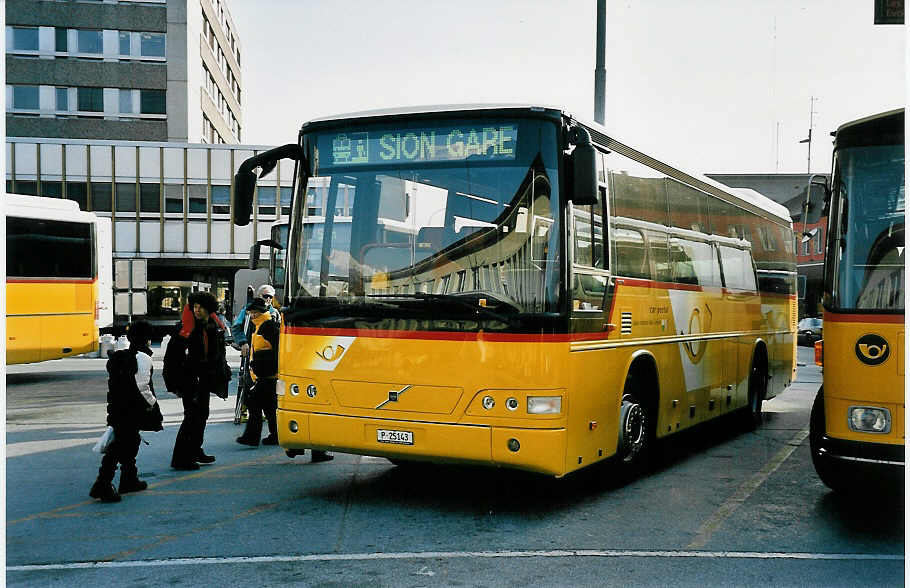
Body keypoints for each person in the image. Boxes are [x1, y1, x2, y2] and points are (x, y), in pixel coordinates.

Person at [89, 320, 163, 502]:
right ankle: (103, 484)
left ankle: (129, 478)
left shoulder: (120, 357)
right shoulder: (143, 358)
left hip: (117, 407)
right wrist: (153, 404)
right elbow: (143, 387)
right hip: (132, 409)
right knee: (121, 446)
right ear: (147, 339)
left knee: (129, 442)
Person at [164, 291, 230, 470]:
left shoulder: (211, 326)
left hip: (204, 380)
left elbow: (217, 354)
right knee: (192, 418)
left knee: (201, 416)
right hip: (190, 381)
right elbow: (172, 358)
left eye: (200, 307)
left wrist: (222, 372)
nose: (197, 310)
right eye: (194, 307)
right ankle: (181, 459)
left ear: (209, 309)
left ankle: (194, 450)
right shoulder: (185, 329)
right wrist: (174, 383)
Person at [235, 297, 280, 446]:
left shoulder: (268, 326)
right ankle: (275, 435)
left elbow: (278, 351)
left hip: (268, 375)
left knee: (253, 402)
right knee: (269, 406)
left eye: (255, 312)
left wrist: (266, 367)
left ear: (262, 312)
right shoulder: (260, 326)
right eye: (251, 313)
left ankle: (252, 437)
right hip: (263, 374)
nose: (252, 315)